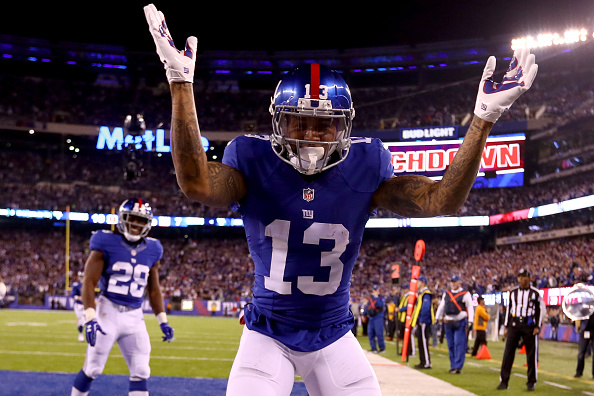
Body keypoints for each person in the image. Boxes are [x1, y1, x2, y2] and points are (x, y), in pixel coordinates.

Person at [144, 4, 538, 394]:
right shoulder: (252, 160)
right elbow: (195, 183)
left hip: (333, 335)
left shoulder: (367, 164)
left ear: (344, 128)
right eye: (301, 121)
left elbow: (441, 202)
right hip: (267, 333)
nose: (312, 135)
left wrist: (483, 119)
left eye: (325, 124)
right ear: (279, 121)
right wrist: (181, 84)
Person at [71, 198, 175, 396]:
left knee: (142, 370)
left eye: (141, 221)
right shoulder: (105, 241)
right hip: (107, 312)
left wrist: (163, 320)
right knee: (93, 368)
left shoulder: (154, 248)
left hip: (135, 316)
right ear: (122, 219)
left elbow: (154, 290)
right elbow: (89, 282)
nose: (136, 225)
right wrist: (90, 317)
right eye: (132, 219)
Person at [497, 269, 545, 391]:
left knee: (531, 354)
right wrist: (506, 326)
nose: (521, 279)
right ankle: (504, 381)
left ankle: (531, 382)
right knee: (508, 353)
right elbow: (509, 309)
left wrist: (537, 326)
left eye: (523, 277)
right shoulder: (513, 292)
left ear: (529, 278)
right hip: (514, 323)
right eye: (519, 277)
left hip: (529, 324)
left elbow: (539, 310)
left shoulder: (535, 293)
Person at [435, 275, 474, 374]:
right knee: (451, 345)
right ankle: (453, 365)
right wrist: (437, 317)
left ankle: (458, 366)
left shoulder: (465, 294)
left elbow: (470, 307)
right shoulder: (446, 294)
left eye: (454, 282)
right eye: (451, 282)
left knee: (459, 344)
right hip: (448, 322)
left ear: (459, 282)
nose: (452, 284)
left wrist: (471, 321)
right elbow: (441, 306)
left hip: (460, 322)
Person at [410, 276, 434, 369]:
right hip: (420, 321)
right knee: (420, 341)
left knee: (424, 342)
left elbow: (425, 307)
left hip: (424, 322)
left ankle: (427, 363)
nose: (417, 284)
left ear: (423, 283)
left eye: (419, 282)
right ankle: (422, 361)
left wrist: (422, 319)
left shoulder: (426, 294)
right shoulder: (421, 294)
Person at [574, 311, 594, 378]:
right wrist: (578, 325)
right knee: (581, 353)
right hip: (584, 330)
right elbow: (579, 314)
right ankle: (579, 372)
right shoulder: (586, 304)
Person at [367, 285, 386, 353]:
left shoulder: (381, 297)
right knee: (370, 333)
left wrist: (376, 297)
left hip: (378, 317)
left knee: (379, 333)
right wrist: (364, 314)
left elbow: (380, 305)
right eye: (374, 290)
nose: (375, 291)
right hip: (371, 317)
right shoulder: (370, 298)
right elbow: (368, 306)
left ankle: (382, 348)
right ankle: (373, 348)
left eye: (376, 290)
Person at [71, 271, 86, 342]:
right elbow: (72, 295)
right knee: (81, 321)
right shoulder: (76, 285)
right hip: (79, 305)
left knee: (87, 320)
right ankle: (80, 334)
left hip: (86, 305)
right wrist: (79, 297)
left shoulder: (88, 284)